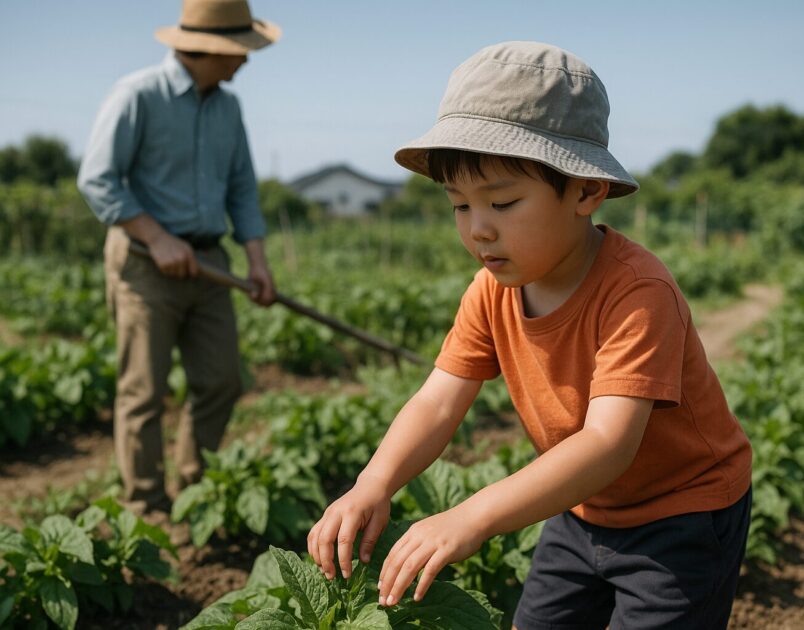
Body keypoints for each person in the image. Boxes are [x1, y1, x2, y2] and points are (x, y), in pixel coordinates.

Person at [307, 41, 753, 629]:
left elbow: (607, 444)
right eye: (460, 206)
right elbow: (440, 400)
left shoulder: (638, 291)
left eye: (503, 201)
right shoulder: (491, 290)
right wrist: (374, 483)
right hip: (580, 506)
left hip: (681, 515)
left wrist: (472, 516)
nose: (479, 230)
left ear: (586, 192)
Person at [77, 0, 280, 515]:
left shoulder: (228, 108)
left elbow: (241, 189)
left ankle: (194, 487)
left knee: (221, 380)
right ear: (213, 49)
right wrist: (157, 236)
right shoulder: (137, 96)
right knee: (143, 390)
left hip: (212, 263)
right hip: (147, 264)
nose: (246, 62)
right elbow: (97, 180)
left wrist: (256, 259)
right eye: (241, 51)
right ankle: (144, 503)